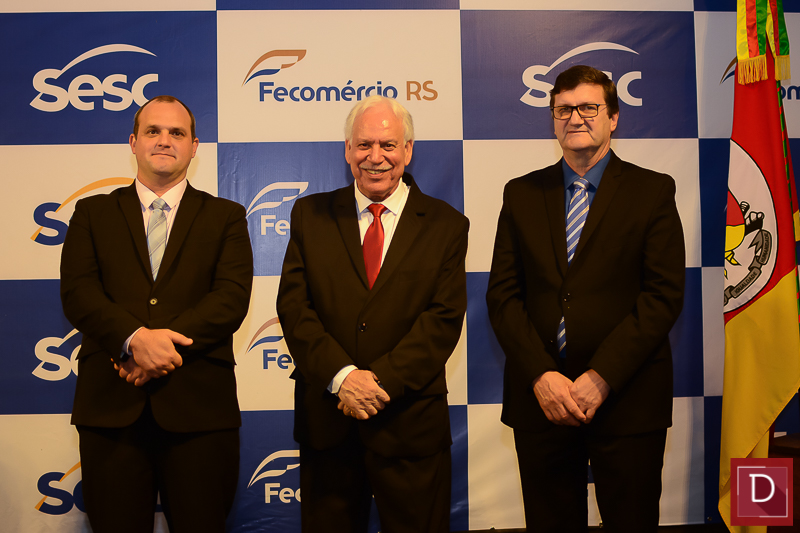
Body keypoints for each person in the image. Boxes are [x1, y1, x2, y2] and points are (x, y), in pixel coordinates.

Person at [485, 65, 685, 532]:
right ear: (553, 119)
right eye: (563, 110)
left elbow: (663, 295)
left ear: (613, 118)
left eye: (588, 108)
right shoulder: (520, 193)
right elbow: (503, 296)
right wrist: (542, 376)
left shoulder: (653, 190)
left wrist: (601, 376)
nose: (575, 118)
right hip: (543, 401)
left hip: (628, 397)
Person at [60, 95, 253, 533]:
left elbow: (230, 298)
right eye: (153, 131)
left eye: (176, 133)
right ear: (133, 142)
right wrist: (134, 339)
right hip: (111, 408)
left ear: (194, 146)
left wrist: (157, 348)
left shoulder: (226, 216)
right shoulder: (92, 213)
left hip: (200, 411)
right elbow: (78, 293)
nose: (165, 140)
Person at [276, 94, 469, 533]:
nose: (375, 157)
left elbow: (441, 320)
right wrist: (344, 378)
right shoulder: (310, 214)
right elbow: (294, 307)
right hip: (329, 423)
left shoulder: (446, 224)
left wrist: (376, 383)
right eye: (364, 145)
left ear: (408, 150)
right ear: (348, 150)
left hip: (410, 425)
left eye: (388, 145)